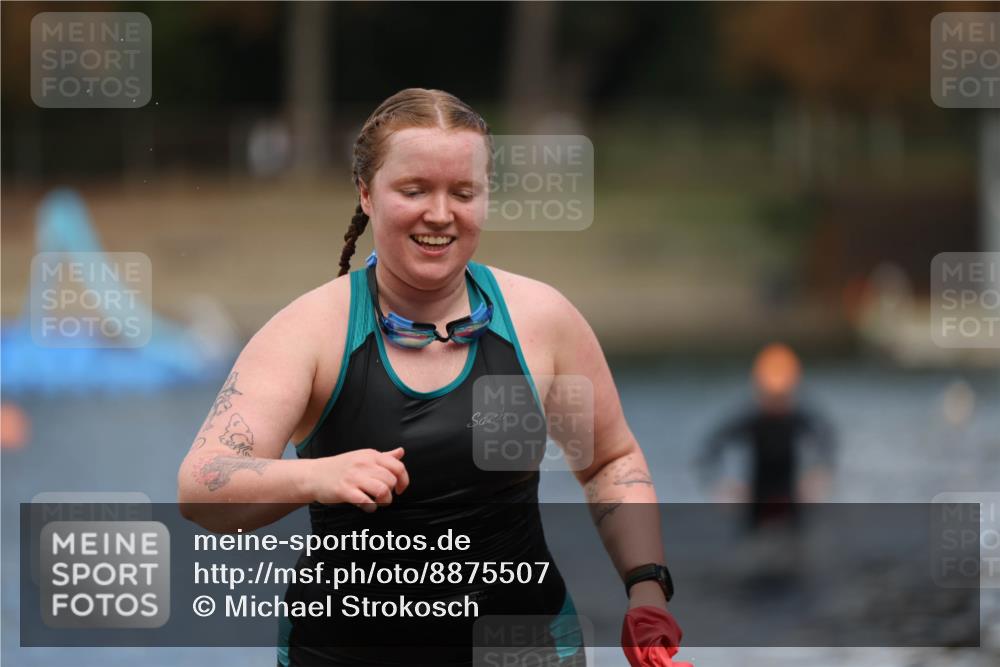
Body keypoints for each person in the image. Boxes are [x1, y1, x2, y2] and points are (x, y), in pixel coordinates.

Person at [178, 88, 690, 667]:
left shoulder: (540, 321)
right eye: (414, 189)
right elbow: (201, 486)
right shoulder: (310, 333)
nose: (441, 214)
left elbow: (609, 461)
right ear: (367, 194)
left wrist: (646, 590)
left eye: (463, 192)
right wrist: (318, 476)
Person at [696, 343, 836, 533]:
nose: (776, 404)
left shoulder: (799, 418)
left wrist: (818, 476)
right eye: (771, 397)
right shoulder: (750, 420)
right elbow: (710, 450)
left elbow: (826, 441)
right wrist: (721, 486)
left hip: (791, 504)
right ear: (760, 391)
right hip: (756, 505)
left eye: (782, 397)